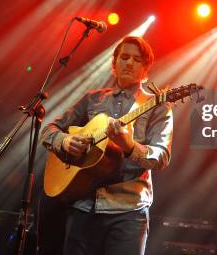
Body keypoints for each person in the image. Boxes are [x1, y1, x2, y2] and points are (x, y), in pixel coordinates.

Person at [41, 36, 173, 255]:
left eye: (137, 59)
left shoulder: (157, 106)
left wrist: (130, 146)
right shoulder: (92, 99)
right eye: (124, 57)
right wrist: (64, 141)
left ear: (146, 67)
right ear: (114, 64)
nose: (129, 63)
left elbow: (162, 157)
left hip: (128, 211)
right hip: (83, 205)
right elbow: (49, 130)